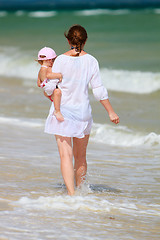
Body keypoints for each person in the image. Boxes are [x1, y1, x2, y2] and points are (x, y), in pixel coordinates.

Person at [45, 25, 119, 195]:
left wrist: (46, 86)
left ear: (68, 40)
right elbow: (98, 90)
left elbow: (49, 89)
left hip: (62, 112)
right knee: (81, 157)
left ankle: (72, 196)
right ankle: (81, 191)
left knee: (66, 156)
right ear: (85, 41)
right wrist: (111, 111)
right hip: (83, 114)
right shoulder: (92, 61)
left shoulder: (60, 61)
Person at [37, 47, 64, 122]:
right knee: (58, 92)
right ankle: (57, 111)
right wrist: (59, 76)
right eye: (52, 60)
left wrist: (45, 83)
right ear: (49, 60)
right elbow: (49, 75)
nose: (52, 62)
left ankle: (55, 102)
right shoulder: (47, 68)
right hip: (50, 88)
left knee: (55, 97)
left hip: (47, 89)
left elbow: (39, 84)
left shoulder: (40, 69)